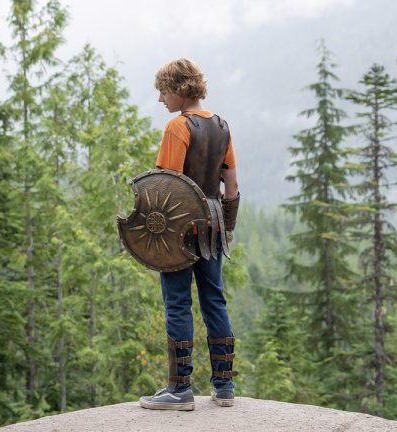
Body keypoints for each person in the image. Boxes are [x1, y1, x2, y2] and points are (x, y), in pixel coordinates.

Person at [139, 58, 241, 411]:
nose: (161, 99)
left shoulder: (177, 128)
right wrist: (226, 229)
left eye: (163, 91)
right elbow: (232, 185)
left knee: (178, 300)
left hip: (181, 228)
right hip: (212, 224)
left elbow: (165, 187)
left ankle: (180, 388)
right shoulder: (222, 127)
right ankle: (224, 385)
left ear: (181, 90)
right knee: (214, 299)